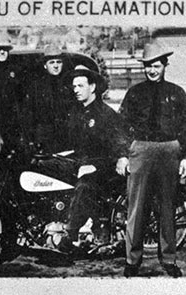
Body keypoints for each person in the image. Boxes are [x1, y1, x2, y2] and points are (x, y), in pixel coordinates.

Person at [119, 43, 186, 278]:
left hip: (168, 151)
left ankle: (169, 259)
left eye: (156, 65)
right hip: (141, 150)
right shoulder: (134, 93)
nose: (152, 71)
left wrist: (185, 157)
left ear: (164, 65)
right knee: (136, 208)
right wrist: (123, 153)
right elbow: (121, 125)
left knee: (167, 207)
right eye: (148, 67)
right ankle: (132, 260)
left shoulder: (177, 92)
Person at [54, 65, 130, 254]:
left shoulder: (107, 115)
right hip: (80, 162)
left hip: (105, 167)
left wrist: (95, 166)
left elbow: (119, 145)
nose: (76, 90)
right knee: (43, 166)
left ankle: (70, 234)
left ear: (93, 87)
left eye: (80, 86)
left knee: (85, 184)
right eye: (74, 87)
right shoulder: (77, 113)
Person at [24, 44, 75, 152]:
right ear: (45, 65)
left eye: (59, 62)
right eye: (51, 62)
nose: (56, 66)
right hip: (44, 139)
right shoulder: (37, 87)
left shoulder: (69, 85)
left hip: (67, 137)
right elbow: (30, 114)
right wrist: (32, 139)